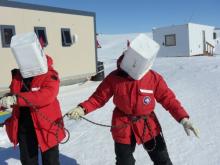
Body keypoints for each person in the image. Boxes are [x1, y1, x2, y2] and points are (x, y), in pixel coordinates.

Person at [66, 34, 199, 165]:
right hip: (122, 125)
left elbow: (168, 99)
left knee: (162, 159)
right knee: (124, 162)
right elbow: (98, 98)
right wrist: (82, 108)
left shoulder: (153, 78)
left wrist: (183, 118)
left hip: (148, 124)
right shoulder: (114, 78)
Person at [0, 32, 65, 165]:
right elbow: (12, 95)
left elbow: (46, 96)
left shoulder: (50, 75)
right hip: (24, 127)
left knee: (51, 161)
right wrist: (4, 102)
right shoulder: (19, 76)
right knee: (28, 161)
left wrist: (16, 99)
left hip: (47, 127)